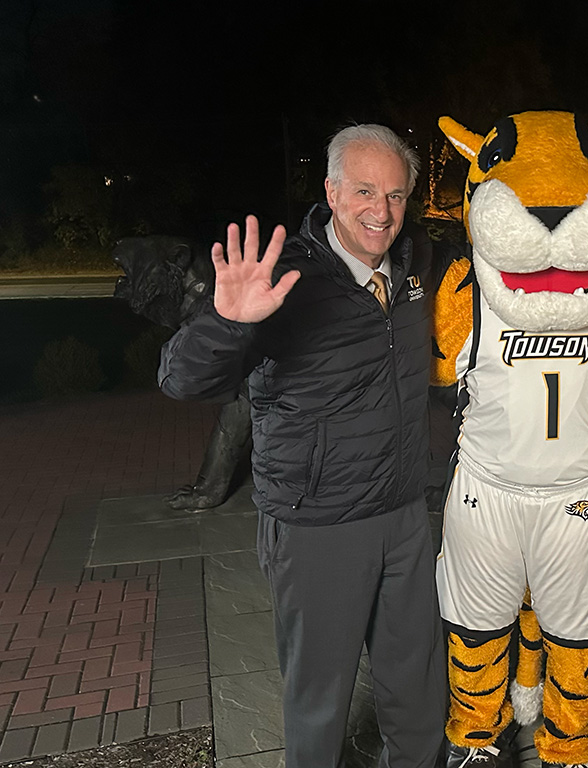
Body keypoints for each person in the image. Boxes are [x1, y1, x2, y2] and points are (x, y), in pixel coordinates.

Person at [158, 124, 446, 768]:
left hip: (403, 515)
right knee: (320, 703)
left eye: (397, 196)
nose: (382, 211)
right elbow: (182, 379)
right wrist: (228, 322)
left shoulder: (416, 262)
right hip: (318, 523)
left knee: (419, 690)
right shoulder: (285, 276)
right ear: (332, 192)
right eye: (366, 192)